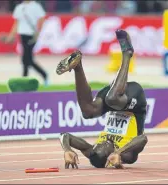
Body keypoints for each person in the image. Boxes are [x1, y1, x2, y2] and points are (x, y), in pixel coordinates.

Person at [57, 29, 148, 169]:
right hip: (133, 101)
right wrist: (118, 152)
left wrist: (67, 149)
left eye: (99, 145)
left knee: (88, 111)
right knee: (112, 99)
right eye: (105, 146)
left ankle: (78, 67)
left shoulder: (94, 151)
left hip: (116, 97)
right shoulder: (128, 155)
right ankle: (127, 54)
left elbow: (65, 135)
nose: (103, 142)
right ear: (108, 157)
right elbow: (143, 138)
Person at [0, 0, 48, 85]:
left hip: (32, 35)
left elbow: (41, 19)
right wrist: (10, 36)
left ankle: (27, 78)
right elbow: (16, 24)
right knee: (27, 59)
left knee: (26, 59)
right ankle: (42, 75)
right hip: (22, 36)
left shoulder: (36, 6)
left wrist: (37, 33)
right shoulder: (19, 7)